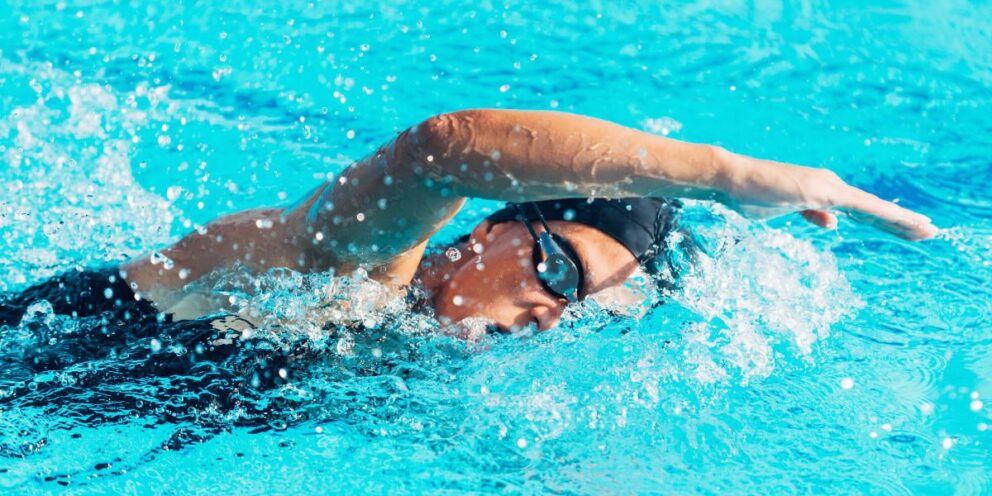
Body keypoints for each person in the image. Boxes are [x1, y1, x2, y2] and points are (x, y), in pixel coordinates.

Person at [0, 109, 937, 385]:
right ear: (498, 224)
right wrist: (726, 172)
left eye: (579, 307)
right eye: (560, 269)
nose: (546, 314)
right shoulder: (348, 273)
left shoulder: (399, 361)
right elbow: (442, 150)